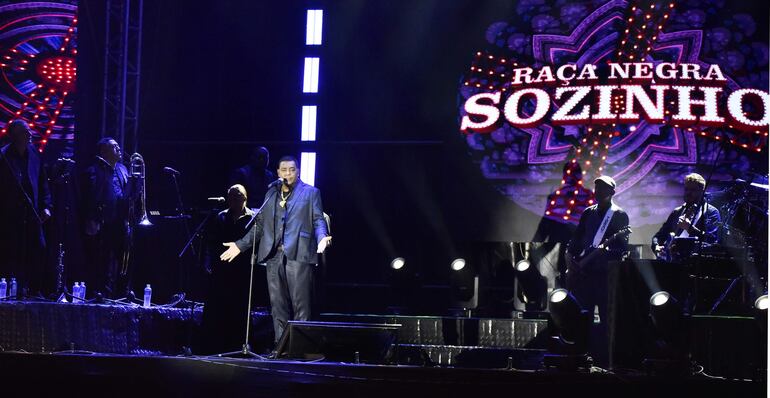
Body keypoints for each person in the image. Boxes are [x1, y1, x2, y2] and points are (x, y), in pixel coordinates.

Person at [220, 155, 331, 346]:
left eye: (292, 170)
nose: (288, 173)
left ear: (297, 172)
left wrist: (322, 237)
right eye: (284, 170)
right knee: (277, 307)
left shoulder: (311, 193)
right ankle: (280, 348)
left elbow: (318, 219)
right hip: (273, 256)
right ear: (278, 172)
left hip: (299, 253)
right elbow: (260, 225)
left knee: (300, 306)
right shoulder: (271, 193)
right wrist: (240, 245)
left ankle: (299, 348)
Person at [565, 175, 630, 366]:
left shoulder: (619, 215)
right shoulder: (588, 213)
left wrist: (606, 252)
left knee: (604, 318)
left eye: (602, 188)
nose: (598, 192)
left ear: (612, 192)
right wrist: (569, 256)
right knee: (581, 315)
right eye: (596, 188)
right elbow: (576, 240)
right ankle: (579, 355)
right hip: (584, 275)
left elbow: (622, 249)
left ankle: (602, 360)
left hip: (604, 276)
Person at [200, 184, 259, 353]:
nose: (233, 198)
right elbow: (211, 243)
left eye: (237, 195)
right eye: (231, 196)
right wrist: (208, 262)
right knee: (219, 308)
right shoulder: (220, 217)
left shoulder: (253, 218)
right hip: (222, 270)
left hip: (242, 271)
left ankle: (241, 345)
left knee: (240, 309)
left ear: (245, 197)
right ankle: (215, 345)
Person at [0, 120, 52, 296]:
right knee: (11, 252)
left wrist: (46, 206)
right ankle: (9, 290)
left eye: (29, 131)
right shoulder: (4, 156)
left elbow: (43, 182)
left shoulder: (34, 154)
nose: (30, 135)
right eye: (25, 132)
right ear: (14, 136)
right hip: (9, 215)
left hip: (32, 212)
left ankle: (34, 290)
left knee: (39, 248)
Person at [82, 137, 129, 298]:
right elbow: (91, 197)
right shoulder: (95, 170)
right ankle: (100, 292)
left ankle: (120, 293)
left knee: (122, 258)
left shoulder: (123, 169)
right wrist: (92, 218)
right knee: (102, 259)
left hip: (121, 220)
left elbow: (126, 195)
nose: (119, 149)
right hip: (104, 220)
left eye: (118, 146)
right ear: (103, 151)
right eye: (114, 147)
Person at [652, 173, 721, 261]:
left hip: (697, 263)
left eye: (693, 190)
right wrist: (656, 246)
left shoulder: (711, 212)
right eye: (686, 189)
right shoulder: (677, 211)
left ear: (702, 191)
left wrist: (689, 228)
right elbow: (659, 235)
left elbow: (712, 240)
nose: (688, 193)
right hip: (673, 262)